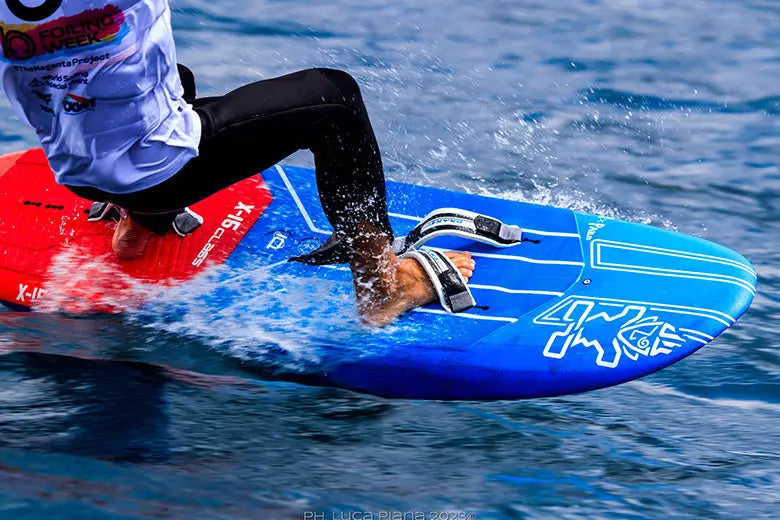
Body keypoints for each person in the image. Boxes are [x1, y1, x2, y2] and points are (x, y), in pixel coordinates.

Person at [0, 0, 475, 325]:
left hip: (74, 171)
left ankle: (141, 221)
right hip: (163, 173)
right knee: (336, 97)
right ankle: (382, 287)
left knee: (163, 73)